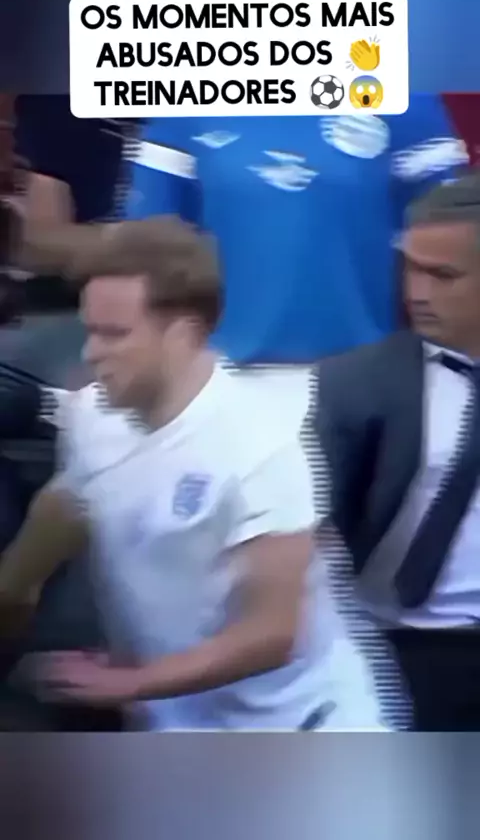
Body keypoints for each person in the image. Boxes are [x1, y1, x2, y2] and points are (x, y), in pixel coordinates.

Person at [0, 216, 385, 731]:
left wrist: (126, 683)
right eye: (90, 330)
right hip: (175, 725)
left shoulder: (262, 444)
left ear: (183, 334)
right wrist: (15, 589)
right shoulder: (94, 416)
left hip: (302, 732)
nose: (92, 352)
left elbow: (272, 633)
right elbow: (72, 502)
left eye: (114, 334)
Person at [315, 171, 480, 731]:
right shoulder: (355, 383)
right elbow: (309, 534)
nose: (418, 293)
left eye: (443, 275)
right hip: (390, 648)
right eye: (411, 268)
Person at [125, 96, 468, 364]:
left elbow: (453, 242)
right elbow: (148, 251)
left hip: (367, 375)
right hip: (222, 378)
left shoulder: (403, 89)